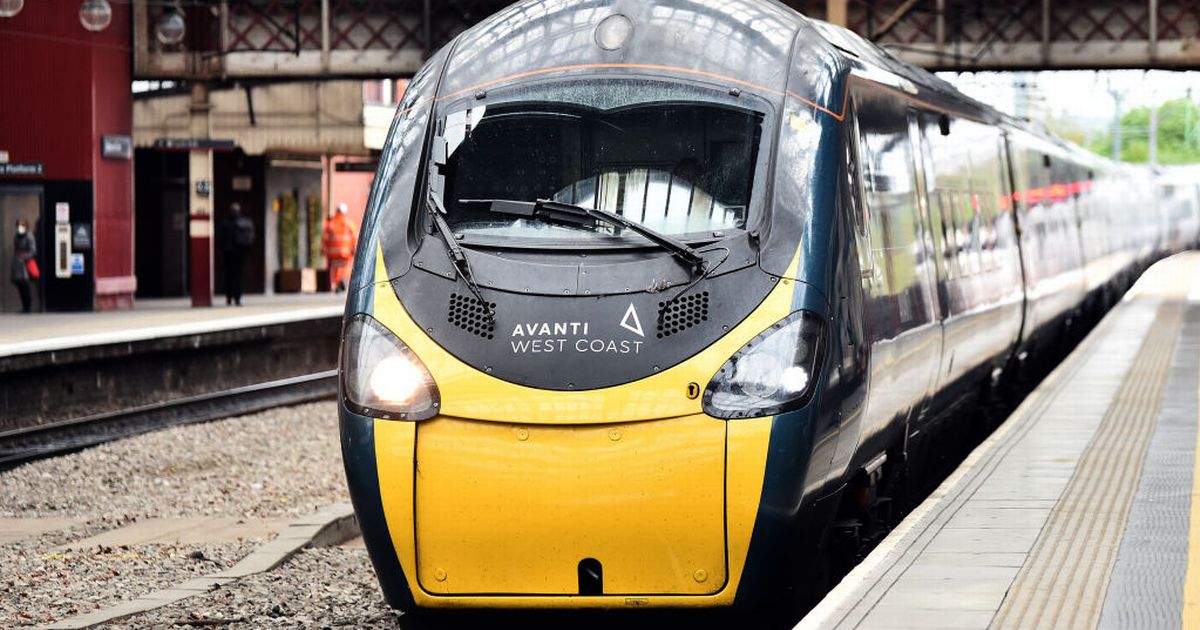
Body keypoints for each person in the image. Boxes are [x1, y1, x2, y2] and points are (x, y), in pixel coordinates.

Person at [218, 202, 255, 306]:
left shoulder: (225, 222)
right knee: (238, 277)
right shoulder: (244, 221)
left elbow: (220, 238)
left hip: (228, 253)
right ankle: (237, 298)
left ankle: (229, 298)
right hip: (240, 254)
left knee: (228, 276)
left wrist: (222, 249)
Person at [322, 202, 358, 292]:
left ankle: (337, 282)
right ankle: (341, 280)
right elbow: (355, 236)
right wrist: (354, 248)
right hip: (345, 252)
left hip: (333, 253)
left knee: (335, 268)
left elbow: (325, 238)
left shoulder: (330, 224)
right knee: (344, 267)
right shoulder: (349, 223)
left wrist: (323, 250)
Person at [9, 219, 36, 313]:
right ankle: (24, 306)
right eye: (18, 225)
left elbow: (33, 250)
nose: (20, 227)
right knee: (19, 284)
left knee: (25, 285)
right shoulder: (17, 236)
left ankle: (27, 307)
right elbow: (15, 249)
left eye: (22, 225)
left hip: (25, 263)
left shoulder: (29, 236)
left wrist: (24, 257)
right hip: (17, 262)